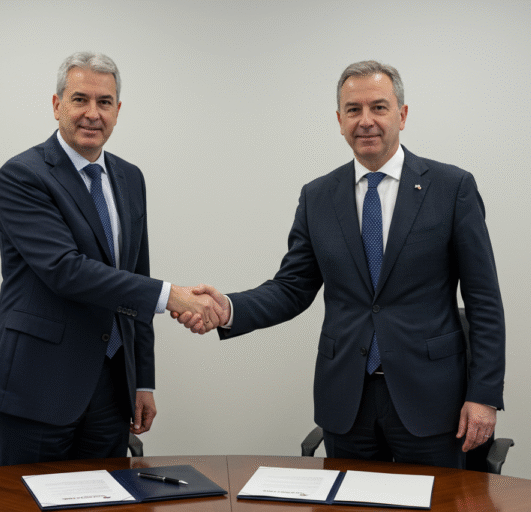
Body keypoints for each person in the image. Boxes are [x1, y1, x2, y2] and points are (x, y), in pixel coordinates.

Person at [177, 61, 505, 469]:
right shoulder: (318, 196)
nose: (365, 121)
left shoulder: (451, 188)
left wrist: (485, 395)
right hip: (347, 402)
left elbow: (484, 300)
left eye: (379, 108)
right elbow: (292, 287)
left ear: (402, 115)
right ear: (339, 120)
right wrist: (229, 308)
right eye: (353, 110)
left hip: (432, 401)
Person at [0, 52, 224, 465]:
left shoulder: (130, 178)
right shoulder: (23, 175)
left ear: (117, 111)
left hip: (112, 387)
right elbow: (66, 271)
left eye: (104, 102)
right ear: (57, 105)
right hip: (39, 386)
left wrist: (142, 380)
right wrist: (175, 298)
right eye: (80, 100)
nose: (92, 114)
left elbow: (136, 278)